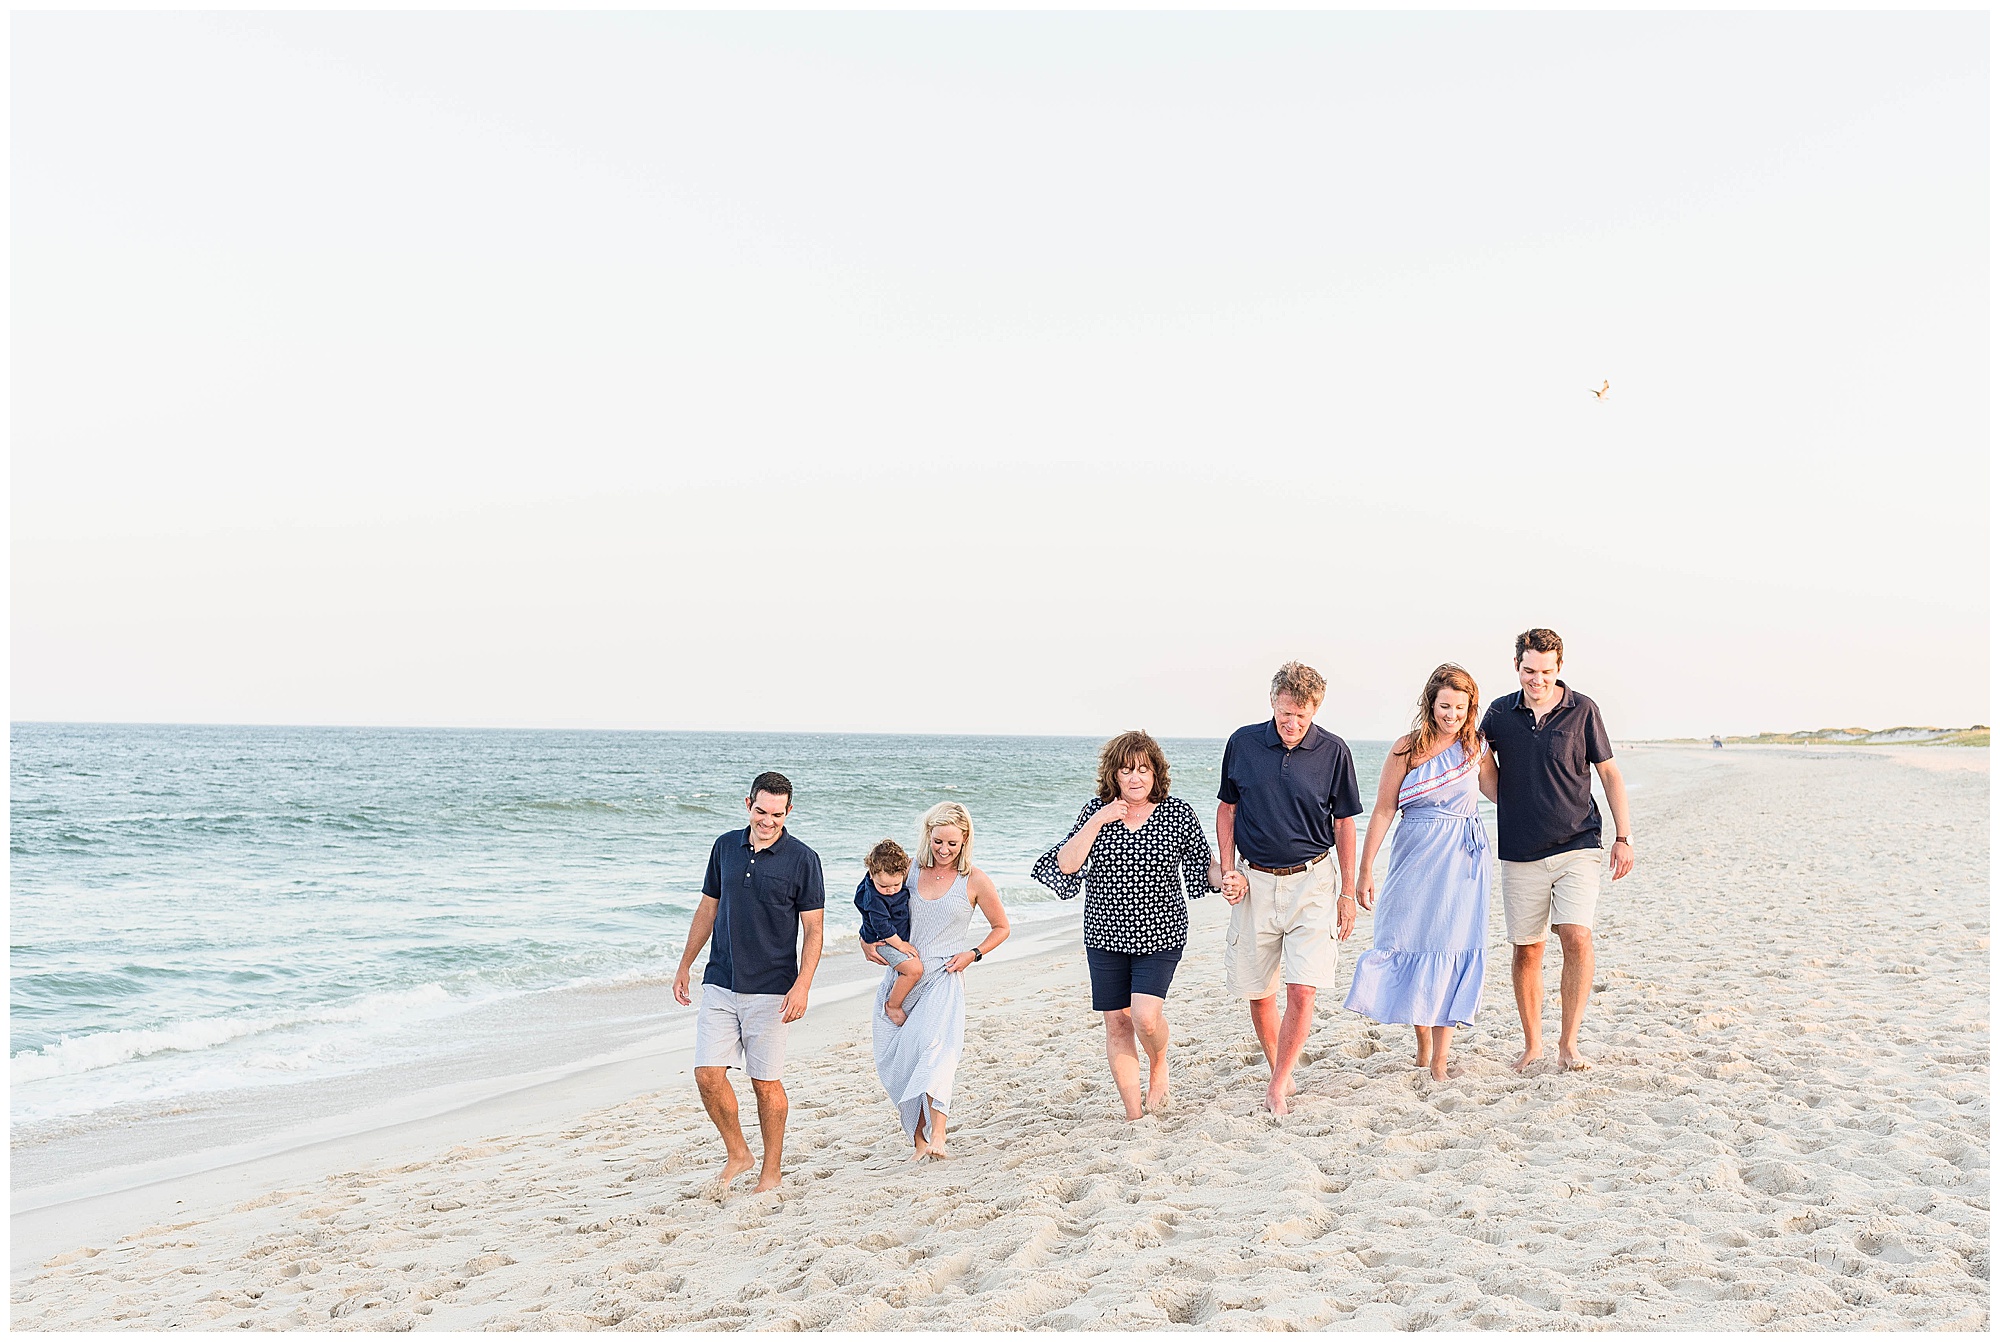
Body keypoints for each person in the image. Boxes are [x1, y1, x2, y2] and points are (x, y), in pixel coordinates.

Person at [1031, 731, 1216, 1121]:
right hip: (1104, 934)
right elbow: (1067, 864)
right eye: (1127, 770)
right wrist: (1099, 819)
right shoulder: (1094, 812)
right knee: (1117, 1022)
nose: (1135, 778)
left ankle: (1159, 1061)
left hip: (1161, 932)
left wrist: (1231, 874)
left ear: (1156, 773)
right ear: (1114, 775)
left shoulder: (1176, 813)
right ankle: (1134, 1115)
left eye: (1143, 770)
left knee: (1144, 1016)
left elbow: (1205, 865)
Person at [1478, 628, 1635, 1074]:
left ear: (1559, 668)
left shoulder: (1583, 709)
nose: (1537, 680)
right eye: (1529, 671)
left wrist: (1623, 837)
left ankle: (1569, 1043)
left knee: (1576, 936)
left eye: (1546, 671)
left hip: (1578, 843)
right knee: (1527, 949)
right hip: (1520, 850)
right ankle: (1533, 1045)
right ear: (1517, 667)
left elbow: (1609, 775)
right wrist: (1508, 799)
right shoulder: (1499, 713)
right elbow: (1479, 764)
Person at [1215, 661, 1364, 1115]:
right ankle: (1281, 1068)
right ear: (1273, 704)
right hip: (1255, 881)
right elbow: (1226, 810)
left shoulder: (1334, 751)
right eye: (1284, 714)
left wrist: (1347, 892)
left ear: (1315, 709)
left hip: (1314, 881)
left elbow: (1344, 825)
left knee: (1302, 989)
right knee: (1259, 992)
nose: (1292, 724)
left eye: (1301, 715)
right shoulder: (1242, 744)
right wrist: (1227, 870)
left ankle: (1278, 1084)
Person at [671, 771, 825, 1196]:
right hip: (721, 980)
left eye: (777, 813)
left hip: (773, 989)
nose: (768, 820)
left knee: (765, 1083)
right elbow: (707, 908)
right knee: (706, 1075)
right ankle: (739, 1153)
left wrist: (803, 985)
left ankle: (770, 1171)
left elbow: (814, 930)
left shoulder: (803, 859)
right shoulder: (725, 847)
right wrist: (686, 964)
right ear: (748, 805)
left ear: (788, 811)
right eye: (761, 811)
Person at [1343, 665, 1492, 1082]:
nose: (1452, 715)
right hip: (1414, 855)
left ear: (1470, 708)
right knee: (1407, 939)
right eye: (1445, 706)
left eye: (1460, 708)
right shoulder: (1405, 749)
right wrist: (1365, 870)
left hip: (1463, 862)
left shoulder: (1477, 749)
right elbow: (1384, 808)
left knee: (1452, 945)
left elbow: (1501, 794)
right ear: (1431, 704)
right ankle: (1422, 1038)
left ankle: (1441, 1058)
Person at [870, 801, 1010, 1160]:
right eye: (938, 842)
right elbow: (871, 901)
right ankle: (918, 1141)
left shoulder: (975, 880)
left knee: (936, 1053)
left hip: (944, 977)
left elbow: (1001, 928)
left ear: (965, 841)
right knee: (899, 1060)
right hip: (903, 975)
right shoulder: (908, 869)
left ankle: (940, 1136)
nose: (944, 850)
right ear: (928, 836)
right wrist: (864, 941)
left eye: (952, 844)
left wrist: (973, 954)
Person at [854, 839, 924, 1027]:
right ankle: (893, 1005)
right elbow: (882, 927)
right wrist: (901, 945)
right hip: (881, 940)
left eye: (896, 885)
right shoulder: (875, 899)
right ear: (871, 874)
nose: (891, 891)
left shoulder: (889, 874)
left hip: (892, 935)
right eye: (884, 886)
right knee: (914, 970)